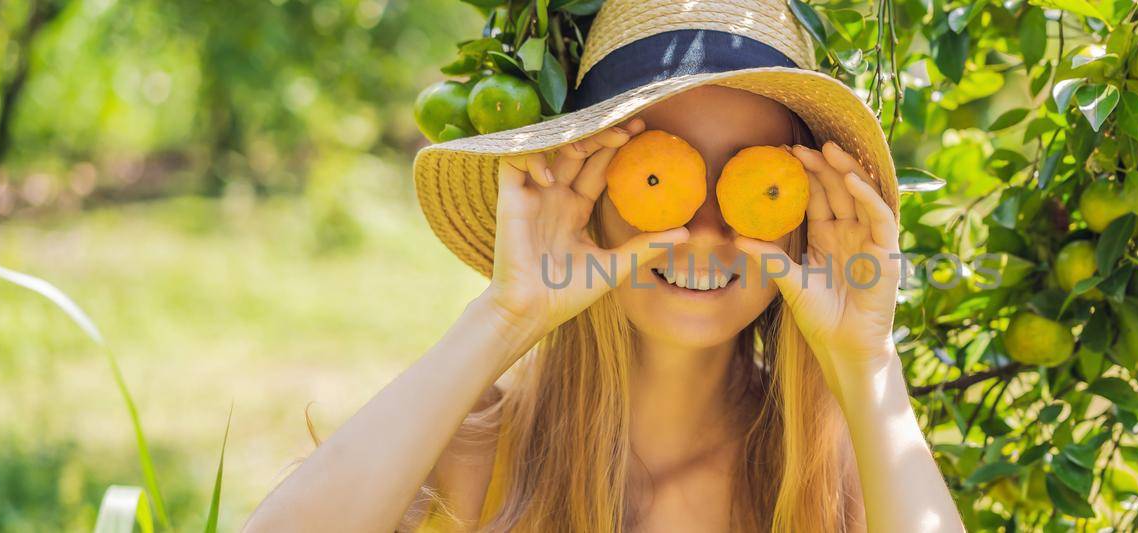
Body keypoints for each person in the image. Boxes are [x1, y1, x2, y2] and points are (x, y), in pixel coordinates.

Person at [246, 0, 962, 531]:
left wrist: (867, 365)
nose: (703, 229)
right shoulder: (474, 458)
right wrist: (503, 317)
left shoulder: (836, 480)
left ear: (803, 215)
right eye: (658, 177)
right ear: (587, 194)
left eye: (753, 183)